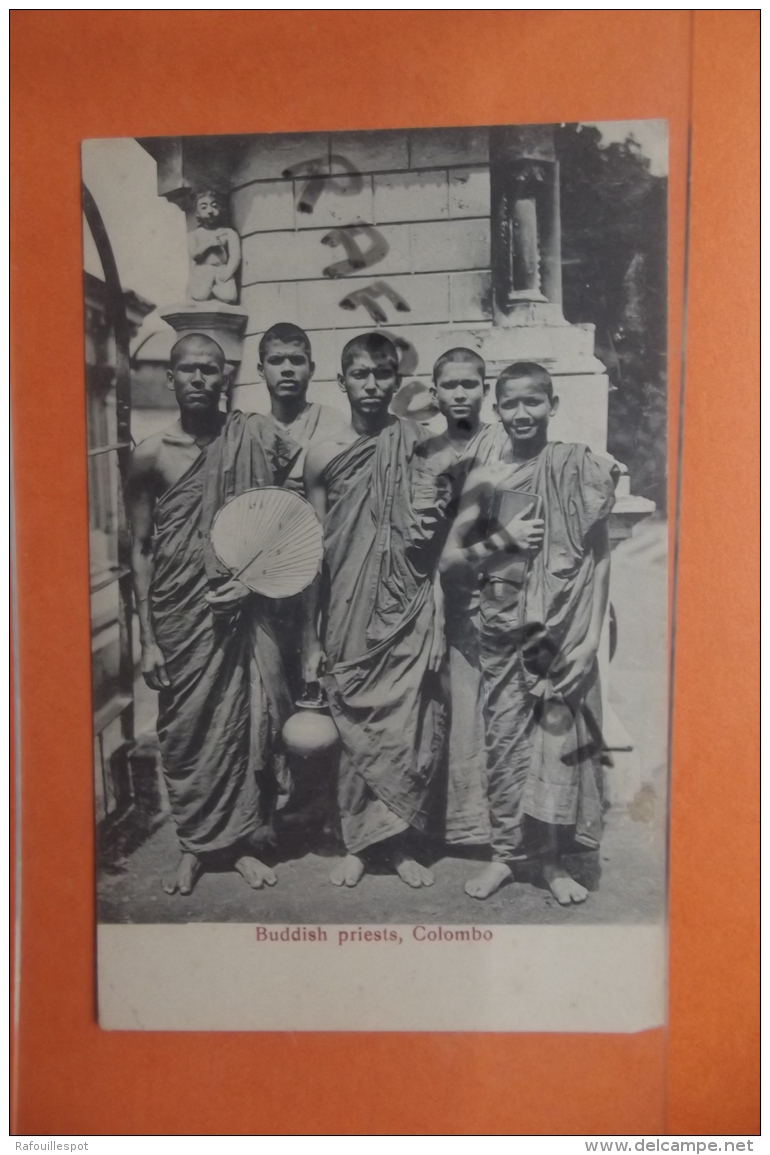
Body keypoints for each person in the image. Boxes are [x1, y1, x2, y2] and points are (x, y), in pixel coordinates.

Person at [127, 333, 299, 896]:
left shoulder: (255, 437)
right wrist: (150, 641)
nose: (200, 379)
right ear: (170, 378)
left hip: (244, 615)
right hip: (181, 620)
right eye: (188, 370)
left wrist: (250, 584)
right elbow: (142, 550)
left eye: (211, 369)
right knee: (186, 731)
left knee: (248, 724)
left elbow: (283, 527)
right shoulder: (150, 455)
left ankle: (243, 843)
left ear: (226, 378)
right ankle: (195, 846)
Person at [440, 361, 615, 904]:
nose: (522, 413)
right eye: (510, 404)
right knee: (506, 742)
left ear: (552, 405)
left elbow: (601, 556)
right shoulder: (485, 478)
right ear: (498, 410)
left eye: (532, 402)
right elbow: (449, 562)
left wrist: (588, 642)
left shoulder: (576, 467)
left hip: (561, 634)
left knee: (557, 743)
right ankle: (504, 857)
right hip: (501, 628)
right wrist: (504, 540)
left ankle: (552, 862)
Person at [302, 333, 449, 888]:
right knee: (354, 716)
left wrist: (434, 601)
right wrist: (312, 639)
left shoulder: (423, 443)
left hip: (408, 602)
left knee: (407, 721)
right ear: (341, 381)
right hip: (345, 605)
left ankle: (403, 843)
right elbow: (312, 548)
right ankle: (358, 844)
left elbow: (441, 536)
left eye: (382, 374)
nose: (371, 384)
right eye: (359, 374)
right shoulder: (320, 454)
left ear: (397, 381)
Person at [424, 349, 506, 847]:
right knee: (454, 707)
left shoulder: (504, 444)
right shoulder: (424, 452)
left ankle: (500, 821)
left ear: (484, 388)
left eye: (469, 384)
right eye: (449, 385)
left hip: (500, 591)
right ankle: (454, 823)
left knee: (497, 706)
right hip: (443, 595)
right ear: (433, 393)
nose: (459, 394)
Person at [257, 322, 347, 494]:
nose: (287, 369)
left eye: (297, 361)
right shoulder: (252, 432)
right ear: (262, 370)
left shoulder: (334, 422)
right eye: (276, 361)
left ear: (311, 369)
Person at [187, 190, 241, 304]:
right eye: (204, 207)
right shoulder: (194, 235)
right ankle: (208, 289)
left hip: (221, 270)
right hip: (203, 270)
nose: (210, 211)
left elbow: (235, 256)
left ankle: (212, 290)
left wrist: (229, 271)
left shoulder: (228, 233)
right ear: (197, 212)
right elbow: (195, 256)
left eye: (214, 206)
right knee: (199, 296)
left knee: (230, 297)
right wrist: (209, 244)